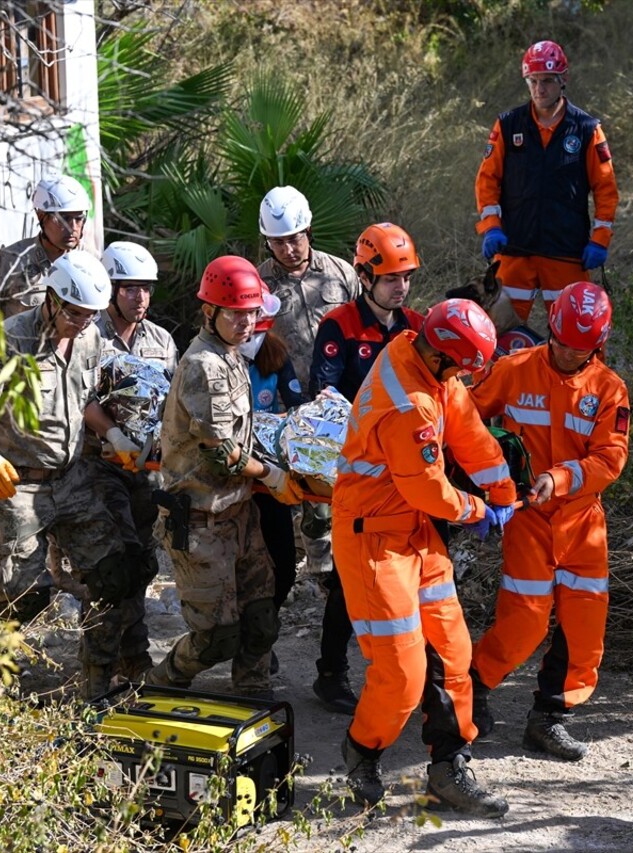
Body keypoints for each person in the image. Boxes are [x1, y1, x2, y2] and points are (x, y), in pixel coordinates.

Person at [333, 298, 516, 817]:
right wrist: (479, 509)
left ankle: (449, 768)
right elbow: (429, 490)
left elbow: (469, 432)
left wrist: (503, 490)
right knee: (402, 673)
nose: (461, 376)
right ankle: (363, 752)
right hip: (374, 539)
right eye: (461, 367)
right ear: (442, 357)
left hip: (411, 532)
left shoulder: (427, 363)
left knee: (454, 653)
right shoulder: (408, 401)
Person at [465, 281, 630, 762]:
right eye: (558, 341)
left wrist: (558, 480)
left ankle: (549, 718)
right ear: (550, 330)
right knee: (524, 624)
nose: (564, 353)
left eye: (577, 349)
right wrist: (484, 479)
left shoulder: (608, 390)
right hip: (529, 520)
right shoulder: (514, 370)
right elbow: (466, 417)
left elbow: (610, 459)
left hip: (582, 523)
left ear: (596, 346)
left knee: (584, 630)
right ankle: (470, 690)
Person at [146, 256, 304, 698]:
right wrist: (275, 478)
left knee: (261, 619)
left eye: (252, 312)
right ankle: (159, 685)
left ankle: (252, 696)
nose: (246, 322)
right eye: (235, 312)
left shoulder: (232, 355)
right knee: (216, 639)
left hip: (239, 515)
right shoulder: (204, 366)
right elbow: (224, 455)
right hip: (201, 523)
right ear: (209, 312)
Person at [0, 251, 115, 623]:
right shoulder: (10, 340)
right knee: (19, 594)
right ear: (51, 300)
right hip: (16, 482)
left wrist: (112, 432)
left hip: (71, 478)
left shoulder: (89, 339)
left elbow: (82, 397)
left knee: (112, 573)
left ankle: (100, 676)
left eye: (90, 316)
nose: (82, 324)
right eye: (74, 314)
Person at [307, 222, 425, 716]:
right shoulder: (339, 326)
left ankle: (415, 675)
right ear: (363, 276)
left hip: (409, 476)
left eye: (407, 276)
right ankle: (331, 673)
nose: (400, 286)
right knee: (347, 577)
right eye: (391, 278)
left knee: (416, 578)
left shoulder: (417, 328)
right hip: (356, 475)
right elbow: (324, 395)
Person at [69, 241, 179, 698]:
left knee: (140, 566)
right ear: (112, 289)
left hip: (145, 474)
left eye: (146, 289)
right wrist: (113, 435)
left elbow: (171, 402)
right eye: (130, 288)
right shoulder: (87, 337)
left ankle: (133, 658)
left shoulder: (161, 341)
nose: (139, 298)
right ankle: (96, 673)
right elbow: (79, 398)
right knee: (111, 568)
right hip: (99, 469)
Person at [474, 40, 619, 330]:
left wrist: (600, 239)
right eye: (534, 81)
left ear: (563, 80)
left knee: (577, 332)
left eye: (548, 82)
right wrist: (491, 226)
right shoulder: (508, 124)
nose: (540, 89)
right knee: (499, 335)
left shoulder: (586, 129)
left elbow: (606, 188)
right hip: (515, 248)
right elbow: (487, 180)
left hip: (565, 250)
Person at [256, 186, 359, 575]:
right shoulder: (259, 284)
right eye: (278, 242)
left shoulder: (340, 274)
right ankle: (287, 569)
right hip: (281, 410)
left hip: (334, 408)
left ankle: (327, 575)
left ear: (309, 231)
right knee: (280, 498)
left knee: (329, 500)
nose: (288, 249)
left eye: (294, 239)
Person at [0, 174, 90, 344]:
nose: (73, 228)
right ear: (41, 216)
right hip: (23, 363)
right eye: (64, 219)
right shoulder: (12, 261)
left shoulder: (88, 263)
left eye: (79, 218)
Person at [241, 287, 305, 635]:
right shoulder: (208, 358)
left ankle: (261, 631)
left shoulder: (275, 355)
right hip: (225, 478)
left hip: (268, 476)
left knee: (283, 563)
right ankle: (241, 635)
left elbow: (295, 405)